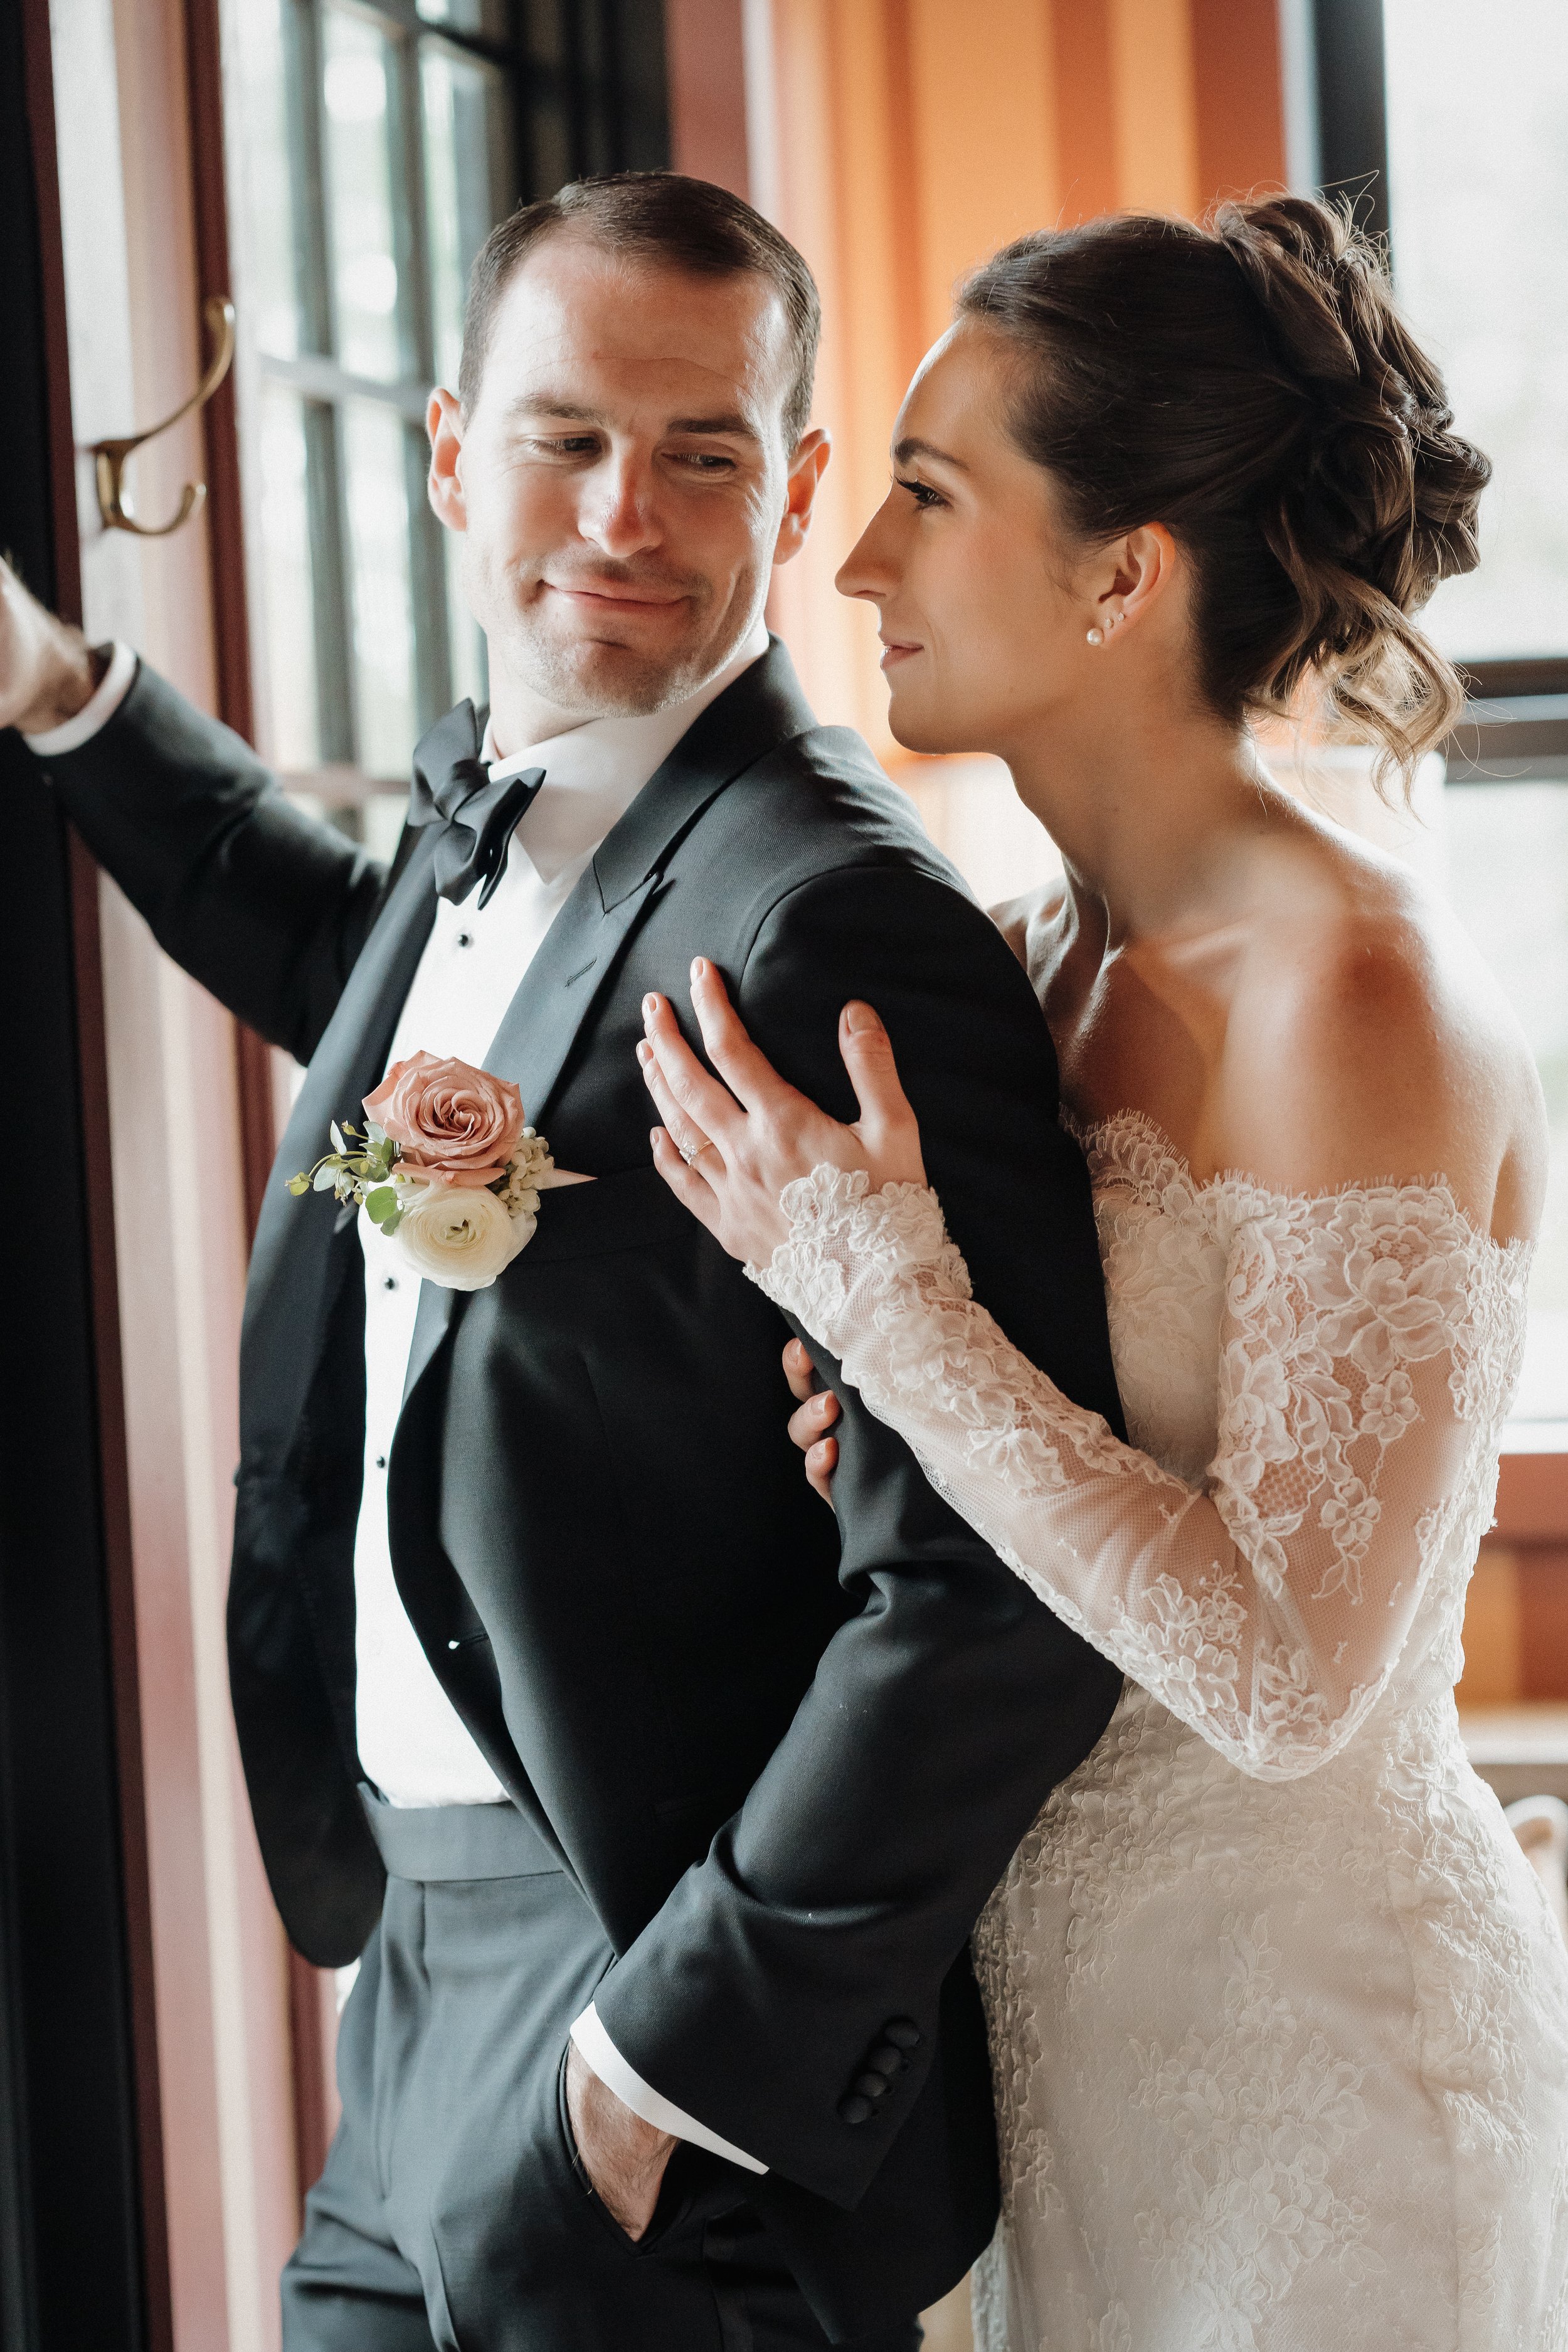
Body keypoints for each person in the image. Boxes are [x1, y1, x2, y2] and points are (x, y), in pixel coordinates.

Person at [0, 174, 1126, 2349]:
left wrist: (649, 2076)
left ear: (792, 493)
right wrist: (62, 693)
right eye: (562, 436)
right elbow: (341, 955)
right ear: (450, 453)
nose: (625, 509)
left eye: (703, 450)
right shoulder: (501, 847)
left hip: (650, 2040)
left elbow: (995, 1593)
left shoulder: (834, 924)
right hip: (403, 2007)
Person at [637, 196, 1568, 2348]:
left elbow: (1279, 1677)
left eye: (928, 496)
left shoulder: (1352, 992)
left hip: (1315, 2078)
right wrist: (875, 1430)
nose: (854, 563)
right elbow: (1052, 1458)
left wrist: (894, 1311)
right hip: (1061, 2039)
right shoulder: (1038, 949)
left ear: (1119, 574)